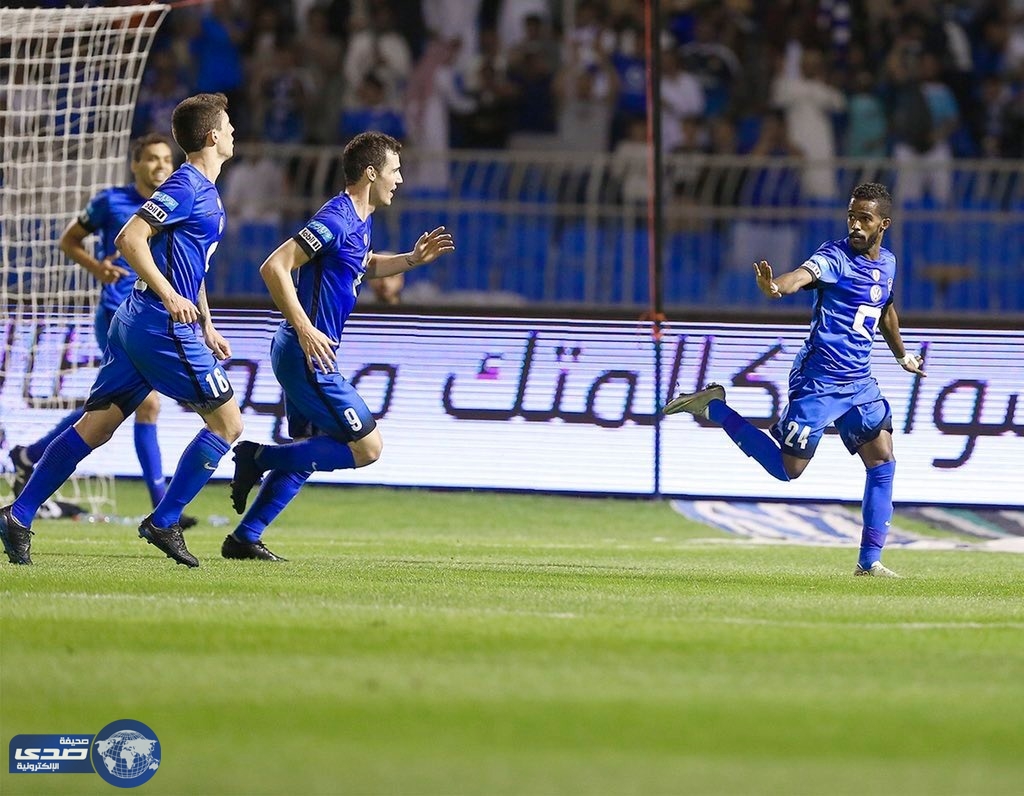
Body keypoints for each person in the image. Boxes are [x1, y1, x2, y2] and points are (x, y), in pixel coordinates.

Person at [1, 93, 243, 568]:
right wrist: (170, 296)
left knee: (97, 426)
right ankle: (165, 518)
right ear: (213, 135)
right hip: (156, 322)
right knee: (228, 422)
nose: (234, 132)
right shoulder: (187, 185)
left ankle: (18, 515)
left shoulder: (205, 190)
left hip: (137, 319)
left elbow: (190, 268)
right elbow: (129, 238)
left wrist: (207, 323)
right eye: (229, 125)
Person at [664, 183, 926, 577]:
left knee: (883, 460)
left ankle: (869, 562)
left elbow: (884, 305)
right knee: (789, 470)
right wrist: (775, 287)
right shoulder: (834, 257)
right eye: (851, 216)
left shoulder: (887, 262)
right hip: (818, 380)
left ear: (883, 224)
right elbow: (800, 276)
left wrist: (901, 354)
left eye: (864, 219)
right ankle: (714, 407)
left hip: (858, 382)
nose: (855, 225)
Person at [223, 132, 454, 561]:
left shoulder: (359, 220)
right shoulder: (336, 218)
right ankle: (257, 457)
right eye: (394, 171)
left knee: (310, 451)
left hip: (305, 352)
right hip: (305, 352)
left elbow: (362, 264)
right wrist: (305, 327)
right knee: (367, 448)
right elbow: (275, 266)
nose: (400, 180)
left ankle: (244, 538)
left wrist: (411, 260)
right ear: (371, 173)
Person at [8, 133, 197, 528]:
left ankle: (32, 455)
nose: (160, 165)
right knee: (145, 404)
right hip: (118, 314)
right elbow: (70, 240)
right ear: (135, 164)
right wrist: (97, 268)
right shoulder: (112, 202)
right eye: (151, 159)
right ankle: (163, 508)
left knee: (112, 406)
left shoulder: (177, 203)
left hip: (153, 315)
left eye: (166, 159)